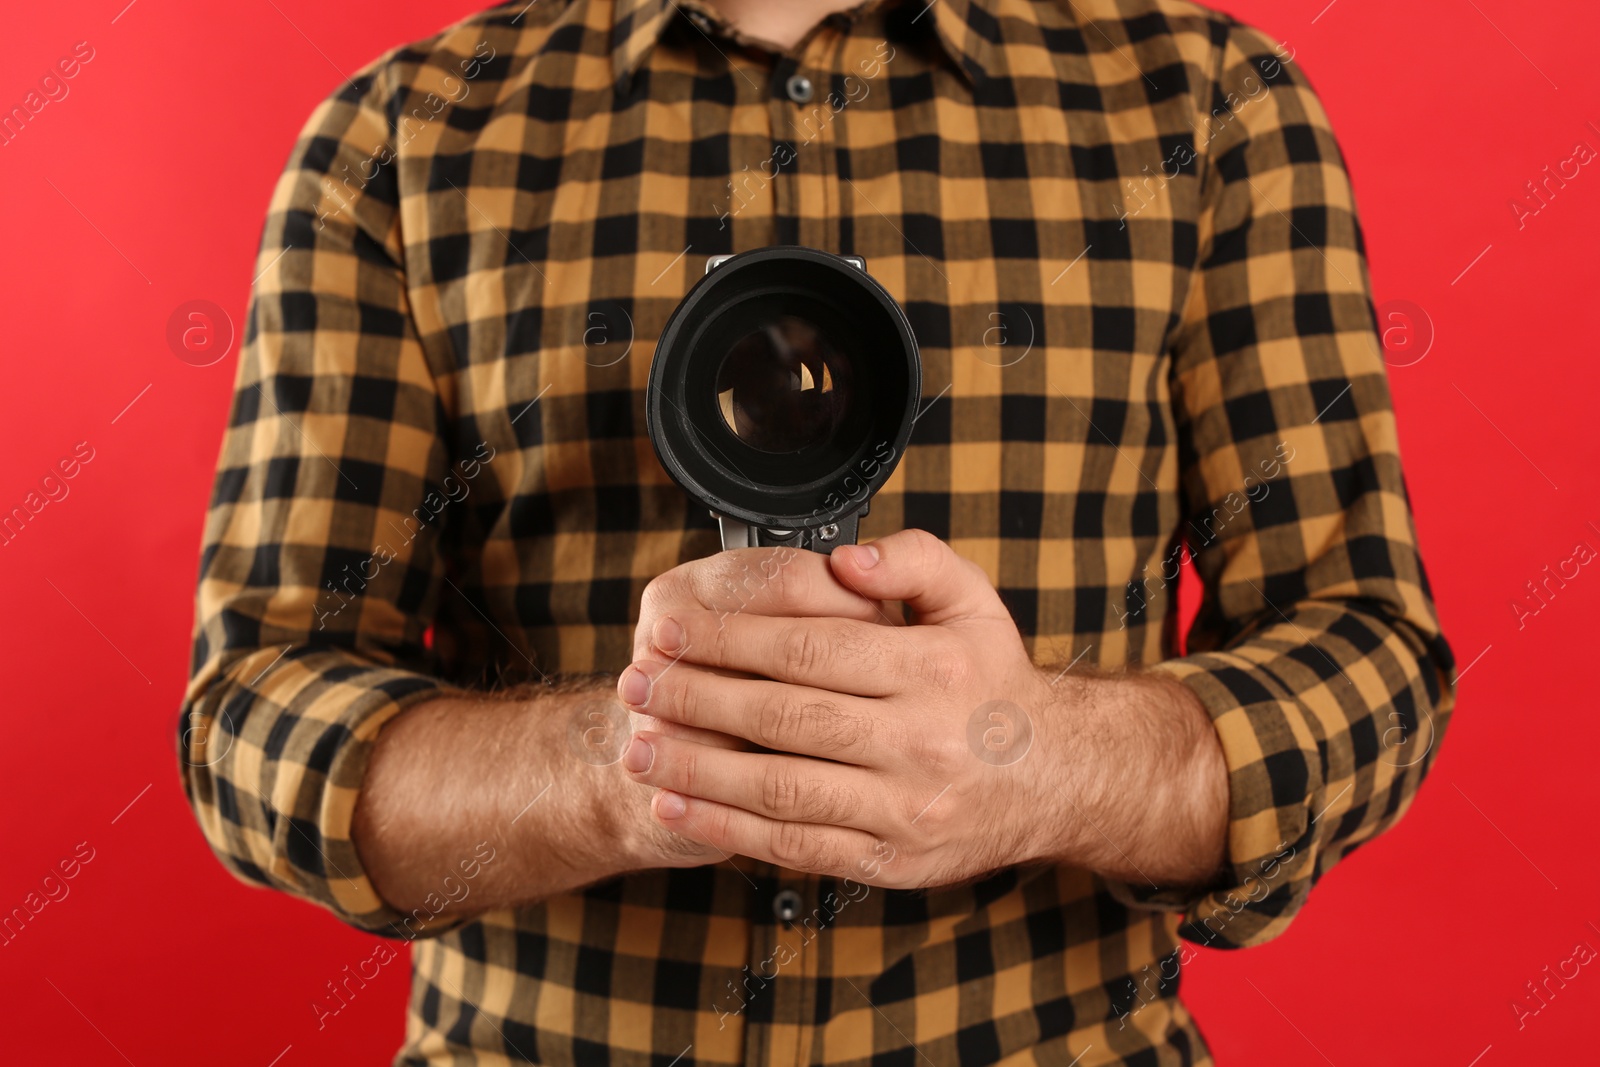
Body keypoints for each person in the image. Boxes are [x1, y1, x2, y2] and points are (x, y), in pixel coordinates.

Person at [177, 0, 1455, 1062]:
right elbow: (254, 712)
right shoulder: (403, 136)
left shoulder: (1204, 102)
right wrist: (618, 761)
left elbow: (1368, 655)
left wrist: (1036, 759)